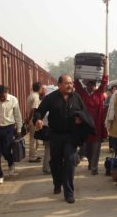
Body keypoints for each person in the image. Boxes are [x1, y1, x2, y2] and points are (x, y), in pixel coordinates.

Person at [33, 74, 94, 204]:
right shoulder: (51, 98)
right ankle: (57, 182)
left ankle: (69, 193)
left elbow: (85, 112)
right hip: (55, 136)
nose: (70, 85)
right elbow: (39, 111)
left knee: (70, 160)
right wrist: (37, 120)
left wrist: (80, 119)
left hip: (71, 136)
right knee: (55, 163)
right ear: (59, 85)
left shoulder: (76, 97)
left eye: (71, 83)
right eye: (67, 83)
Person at [74, 58, 108, 175]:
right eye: (89, 85)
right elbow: (76, 83)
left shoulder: (99, 94)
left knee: (96, 148)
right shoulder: (82, 94)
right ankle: (90, 163)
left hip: (97, 126)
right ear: (87, 86)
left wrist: (105, 65)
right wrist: (75, 67)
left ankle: (94, 168)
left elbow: (104, 81)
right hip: (85, 127)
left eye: (93, 85)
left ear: (95, 86)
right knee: (86, 149)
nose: (91, 87)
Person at [26, 81, 44, 163]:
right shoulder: (36, 97)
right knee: (33, 139)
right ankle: (32, 156)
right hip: (34, 120)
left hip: (31, 120)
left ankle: (34, 154)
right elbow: (34, 109)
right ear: (39, 88)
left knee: (35, 139)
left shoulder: (31, 95)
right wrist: (29, 119)